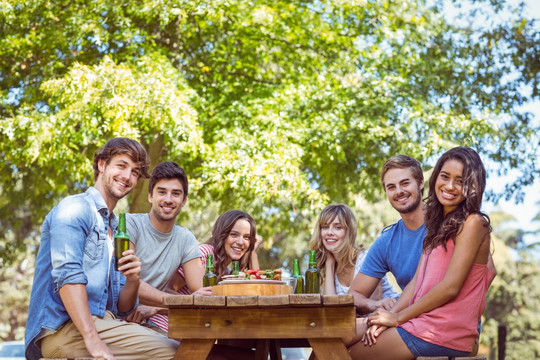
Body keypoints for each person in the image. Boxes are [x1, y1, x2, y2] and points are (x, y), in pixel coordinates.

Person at [25, 138, 178, 360]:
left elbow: (123, 308)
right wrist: (92, 339)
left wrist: (133, 279)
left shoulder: (115, 230)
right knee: (176, 352)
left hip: (106, 322)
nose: (127, 176)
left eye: (135, 172)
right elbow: (68, 276)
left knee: (186, 342)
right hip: (66, 331)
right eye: (121, 165)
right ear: (102, 165)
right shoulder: (75, 208)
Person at [348, 146, 497, 359]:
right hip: (418, 323)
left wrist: (397, 319)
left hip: (440, 332)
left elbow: (451, 287)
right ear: (435, 178)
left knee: (347, 354)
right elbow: (416, 282)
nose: (449, 186)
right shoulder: (436, 226)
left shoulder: (474, 223)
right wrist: (388, 317)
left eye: (460, 181)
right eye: (444, 177)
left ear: (472, 186)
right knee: (335, 335)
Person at [124, 161, 205, 331]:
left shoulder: (185, 239)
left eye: (176, 194)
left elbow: (202, 294)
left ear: (184, 201)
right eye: (162, 192)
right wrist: (180, 301)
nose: (168, 199)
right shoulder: (130, 225)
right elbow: (124, 280)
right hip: (116, 317)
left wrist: (157, 308)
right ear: (150, 196)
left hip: (147, 322)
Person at [150, 209, 262, 332]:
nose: (241, 242)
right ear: (222, 234)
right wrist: (190, 302)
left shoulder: (228, 273)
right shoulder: (203, 254)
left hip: (189, 332)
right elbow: (165, 288)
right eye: (234, 234)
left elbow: (257, 289)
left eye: (247, 237)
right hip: (163, 326)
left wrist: (253, 252)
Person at [348, 155, 426, 314]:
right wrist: (374, 305)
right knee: (346, 333)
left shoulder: (447, 223)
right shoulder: (387, 241)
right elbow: (354, 295)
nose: (399, 191)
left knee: (350, 336)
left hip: (443, 324)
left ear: (420, 182)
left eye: (405, 183)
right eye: (391, 187)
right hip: (407, 320)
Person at [308, 203, 399, 300]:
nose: (330, 232)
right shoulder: (332, 264)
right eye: (325, 227)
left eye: (338, 227)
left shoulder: (365, 259)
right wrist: (329, 264)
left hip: (396, 311)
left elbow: (371, 308)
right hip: (354, 315)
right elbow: (330, 307)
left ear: (348, 232)